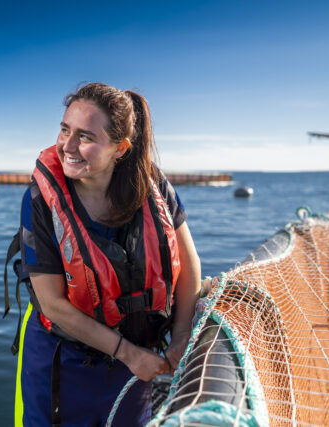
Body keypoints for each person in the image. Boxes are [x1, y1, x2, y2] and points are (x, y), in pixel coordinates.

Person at [11, 83, 201, 426]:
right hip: (62, 361)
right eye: (64, 130)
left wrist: (182, 337)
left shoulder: (153, 186)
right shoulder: (39, 201)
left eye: (85, 136)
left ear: (120, 148)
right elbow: (52, 304)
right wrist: (128, 354)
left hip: (133, 366)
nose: (67, 145)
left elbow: (189, 267)